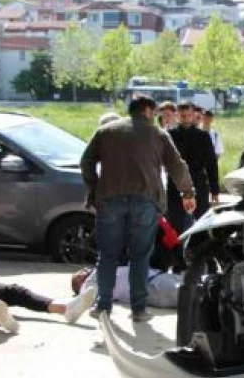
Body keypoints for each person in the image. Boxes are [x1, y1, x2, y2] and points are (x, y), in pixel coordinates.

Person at [80, 94, 195, 322]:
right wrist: (188, 192)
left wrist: (94, 188)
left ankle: (102, 305)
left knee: (108, 255)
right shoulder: (158, 134)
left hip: (109, 199)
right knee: (140, 256)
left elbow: (86, 161)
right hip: (145, 200)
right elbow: (177, 166)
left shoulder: (107, 131)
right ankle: (139, 309)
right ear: (148, 111)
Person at [168, 101, 220, 228]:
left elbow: (211, 164)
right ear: (178, 116)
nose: (185, 118)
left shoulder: (203, 136)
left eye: (188, 115)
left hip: (198, 183)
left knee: (201, 223)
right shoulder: (170, 135)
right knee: (177, 224)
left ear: (193, 115)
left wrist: (215, 191)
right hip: (176, 185)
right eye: (182, 115)